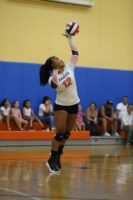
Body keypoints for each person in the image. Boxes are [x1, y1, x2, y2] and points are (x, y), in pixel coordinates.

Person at [39, 33, 80, 172]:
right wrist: (56, 69)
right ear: (53, 66)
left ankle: (57, 157)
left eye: (58, 58)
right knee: (60, 133)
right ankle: (51, 160)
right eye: (55, 60)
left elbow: (75, 52)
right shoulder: (52, 78)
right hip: (61, 107)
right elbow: (56, 85)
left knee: (67, 134)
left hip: (74, 104)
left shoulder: (70, 67)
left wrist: (69, 38)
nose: (59, 59)